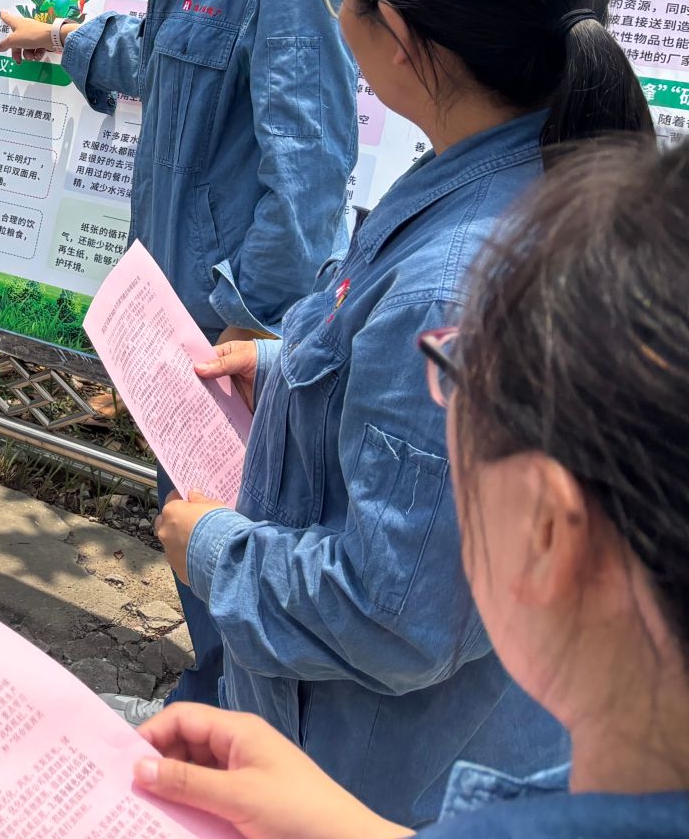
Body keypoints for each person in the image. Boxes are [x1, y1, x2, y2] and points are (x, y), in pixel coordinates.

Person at [153, 0, 654, 825]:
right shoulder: (541, 176)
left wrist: (211, 548)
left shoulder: (452, 291)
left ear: (396, 32)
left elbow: (393, 613)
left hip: (378, 783)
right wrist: (290, 365)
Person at [134, 132, 689, 838]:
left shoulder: (445, 274)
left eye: (450, 378)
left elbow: (394, 617)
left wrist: (220, 550)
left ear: (547, 529)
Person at [0, 0, 358, 708]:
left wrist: (254, 326)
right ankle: (213, 705)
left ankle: (233, 729)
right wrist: (64, 40)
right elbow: (169, 55)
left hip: (227, 326)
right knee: (196, 528)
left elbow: (310, 168)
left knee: (231, 541)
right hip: (176, 306)